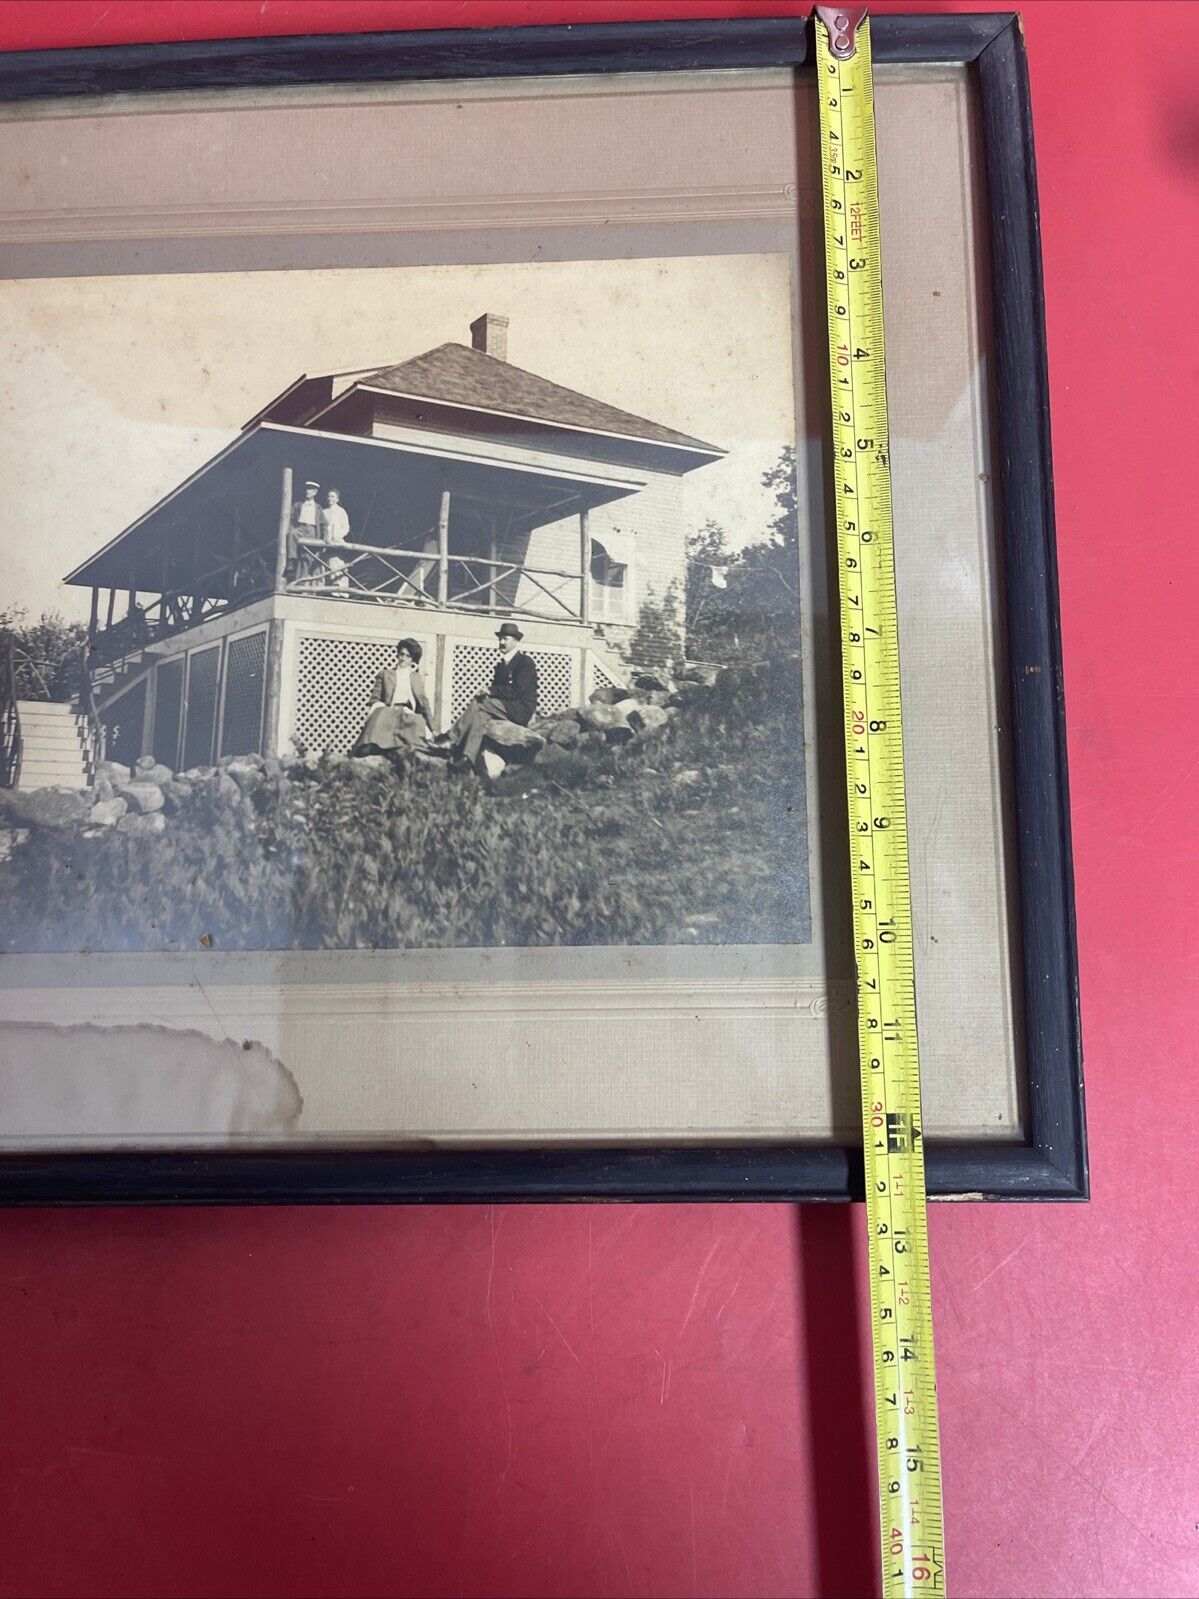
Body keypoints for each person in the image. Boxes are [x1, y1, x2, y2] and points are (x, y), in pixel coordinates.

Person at [441, 621, 539, 770]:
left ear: (516, 641)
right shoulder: (501, 665)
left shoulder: (525, 662)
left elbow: (518, 691)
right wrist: (488, 693)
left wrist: (491, 691)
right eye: (500, 639)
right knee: (480, 715)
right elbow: (497, 691)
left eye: (505, 639)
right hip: (504, 707)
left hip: (521, 709)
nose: (501, 642)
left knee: (480, 704)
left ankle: (451, 738)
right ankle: (468, 758)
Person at [352, 638, 436, 755]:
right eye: (401, 654)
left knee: (420, 737)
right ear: (397, 654)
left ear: (413, 660)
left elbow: (424, 704)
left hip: (408, 714)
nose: (403, 658)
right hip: (389, 712)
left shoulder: (416, 678)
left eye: (408, 656)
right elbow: (374, 699)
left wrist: (433, 729)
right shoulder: (385, 674)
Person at [318, 487, 351, 589]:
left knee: (337, 565)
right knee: (325, 566)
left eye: (332, 496)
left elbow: (346, 527)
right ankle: (327, 590)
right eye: (328, 496)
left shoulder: (341, 511)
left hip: (337, 542)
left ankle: (339, 591)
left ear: (337, 499)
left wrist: (338, 536)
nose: (330, 499)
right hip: (325, 543)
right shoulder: (324, 511)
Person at [287, 480, 321, 579]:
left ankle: (306, 579)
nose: (308, 491)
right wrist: (292, 528)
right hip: (300, 528)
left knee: (307, 556)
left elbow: (324, 523)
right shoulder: (298, 505)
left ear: (315, 492)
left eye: (310, 489)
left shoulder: (318, 507)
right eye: (307, 489)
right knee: (292, 533)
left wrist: (326, 536)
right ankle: (291, 560)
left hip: (312, 531)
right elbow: (291, 518)